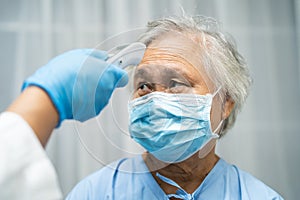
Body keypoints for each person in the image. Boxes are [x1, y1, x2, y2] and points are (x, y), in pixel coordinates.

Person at [0, 15, 283, 200]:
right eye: (144, 86)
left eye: (175, 83)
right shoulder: (95, 193)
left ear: (225, 105)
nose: (155, 99)